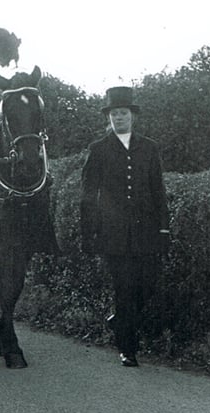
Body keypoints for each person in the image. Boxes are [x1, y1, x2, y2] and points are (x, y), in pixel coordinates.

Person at [80, 86, 170, 367]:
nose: (119, 118)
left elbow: (158, 190)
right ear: (109, 117)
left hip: (147, 231)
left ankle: (119, 321)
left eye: (124, 113)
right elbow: (88, 194)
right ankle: (127, 348)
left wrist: (164, 227)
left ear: (133, 116)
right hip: (113, 233)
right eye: (114, 114)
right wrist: (89, 232)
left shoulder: (149, 147)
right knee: (125, 289)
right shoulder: (98, 149)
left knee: (147, 286)